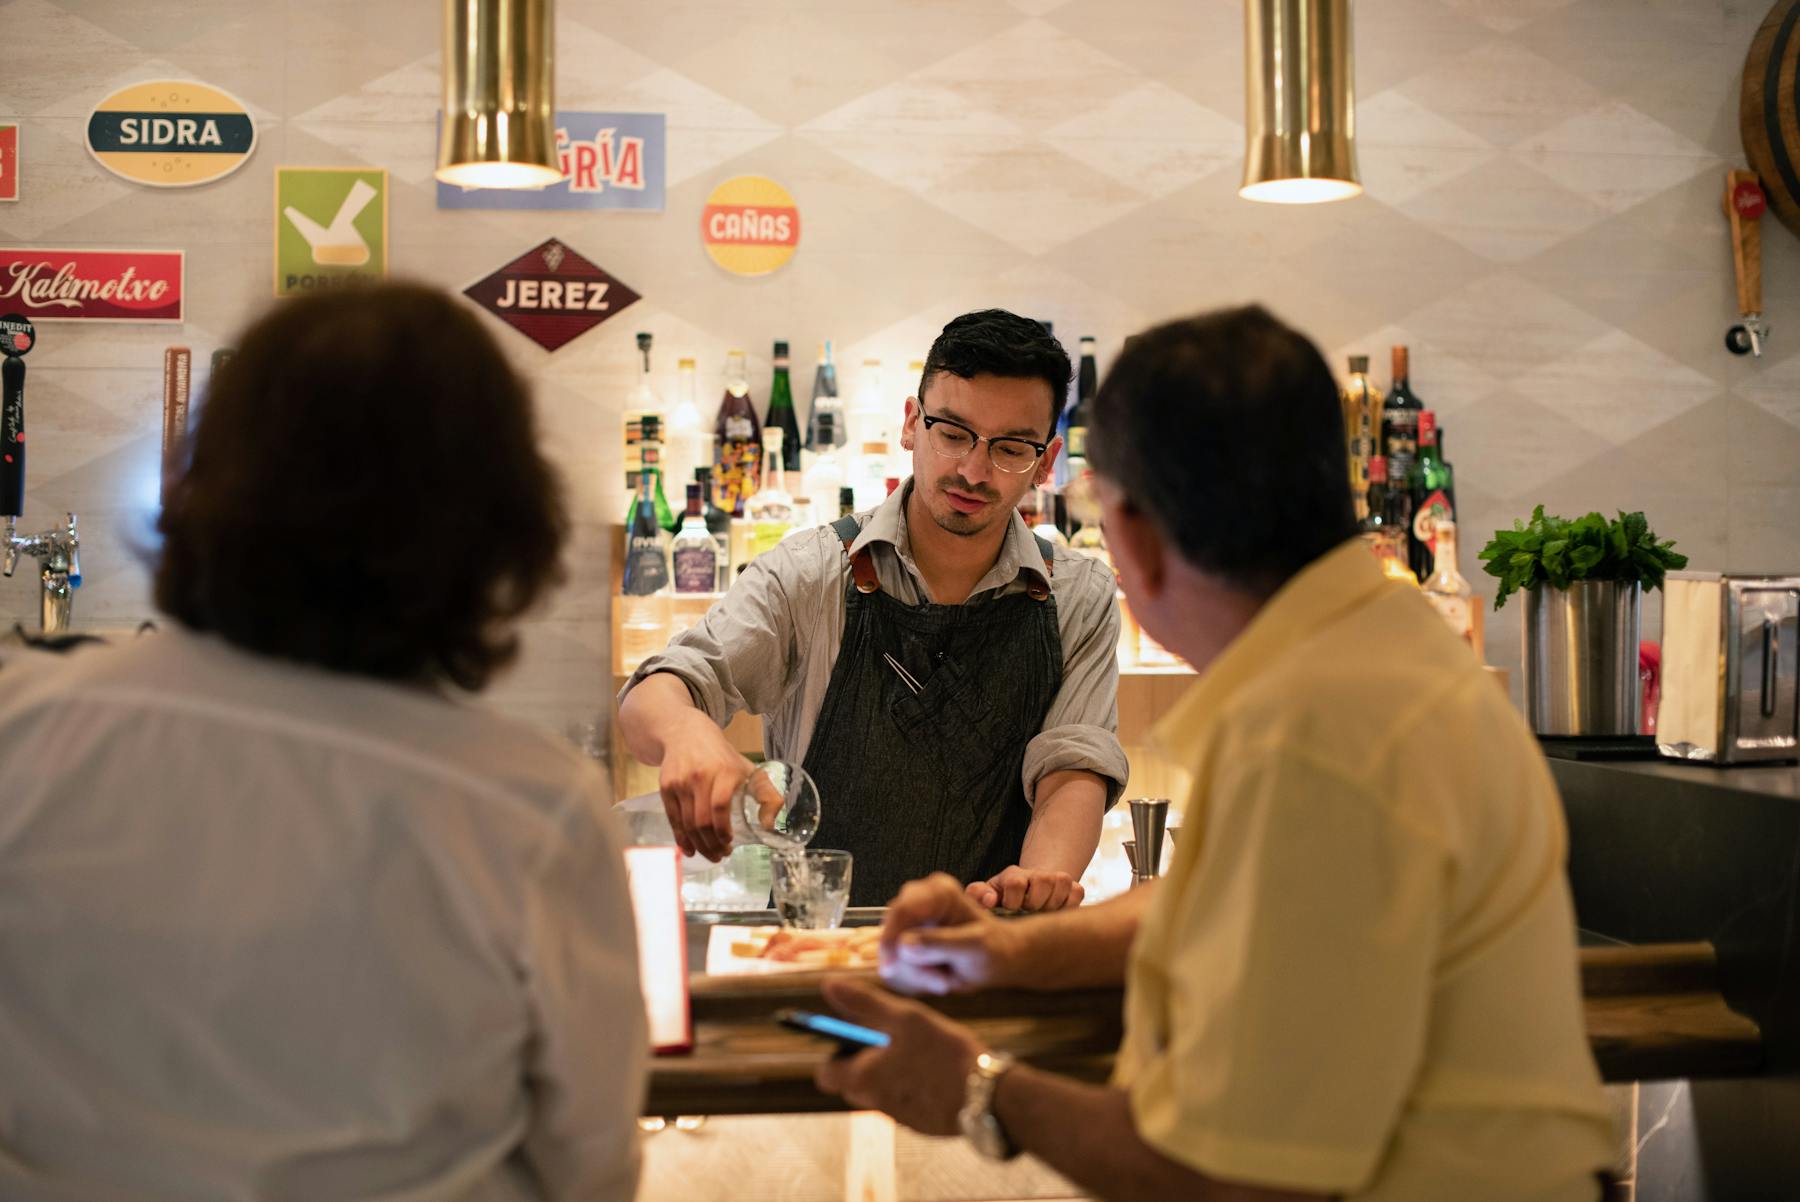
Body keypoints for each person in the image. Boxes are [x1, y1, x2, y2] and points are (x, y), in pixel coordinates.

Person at [811, 307, 1617, 1201]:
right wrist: (1006, 958)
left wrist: (975, 1089)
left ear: (1139, 536)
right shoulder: (1382, 650)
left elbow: (1236, 1177)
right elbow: (1210, 909)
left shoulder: (1316, 734)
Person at [0, 285, 647, 1202]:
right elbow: (589, 1169)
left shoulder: (22, 726)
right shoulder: (529, 810)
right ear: (494, 527)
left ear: (204, 483)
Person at [618, 310, 1126, 911]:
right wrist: (685, 732)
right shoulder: (809, 572)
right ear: (912, 425)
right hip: (816, 953)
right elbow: (654, 694)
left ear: (1046, 461)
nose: (972, 469)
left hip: (987, 949)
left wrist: (1037, 885)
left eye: (1011, 448)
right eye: (953, 433)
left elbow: (1071, 767)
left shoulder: (1079, 594)